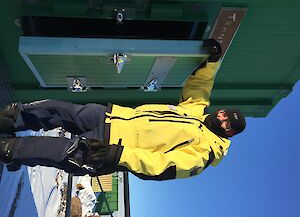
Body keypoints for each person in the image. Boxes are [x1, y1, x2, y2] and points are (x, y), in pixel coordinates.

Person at [0, 39, 246, 180]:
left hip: (108, 149)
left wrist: (119, 156)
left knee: (55, 151)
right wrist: (213, 62)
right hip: (112, 115)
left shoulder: (204, 154)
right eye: (224, 112)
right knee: (57, 109)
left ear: (230, 133)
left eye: (226, 122)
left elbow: (165, 165)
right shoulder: (196, 111)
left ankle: (8, 149)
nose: (221, 116)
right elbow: (200, 87)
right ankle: (11, 118)